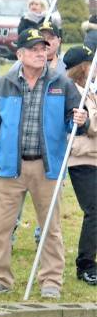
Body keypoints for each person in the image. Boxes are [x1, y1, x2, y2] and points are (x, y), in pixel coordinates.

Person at [0, 28, 88, 299]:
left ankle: (51, 280)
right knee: (0, 227)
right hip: (8, 168)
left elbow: (75, 122)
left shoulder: (61, 84)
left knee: (50, 228)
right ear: (20, 54)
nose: (41, 53)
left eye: (44, 48)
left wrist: (80, 121)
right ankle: (1, 278)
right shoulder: (3, 84)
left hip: (47, 168)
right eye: (34, 49)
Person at [63, 45, 97, 286]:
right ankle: (85, 264)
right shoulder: (73, 92)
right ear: (84, 67)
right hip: (82, 158)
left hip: (93, 156)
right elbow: (90, 126)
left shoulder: (89, 90)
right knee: (94, 210)